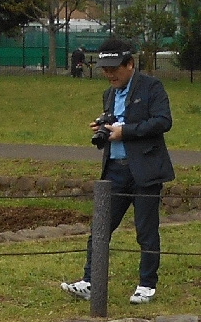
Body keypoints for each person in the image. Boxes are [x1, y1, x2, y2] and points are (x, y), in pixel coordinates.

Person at [61, 38, 173, 308]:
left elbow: (163, 121)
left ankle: (147, 285)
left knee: (146, 230)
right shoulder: (108, 94)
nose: (109, 74)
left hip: (145, 170)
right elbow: (114, 120)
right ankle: (90, 281)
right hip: (115, 169)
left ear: (130, 64)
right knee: (100, 227)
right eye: (104, 69)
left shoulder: (151, 87)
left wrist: (126, 131)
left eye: (114, 68)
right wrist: (104, 125)